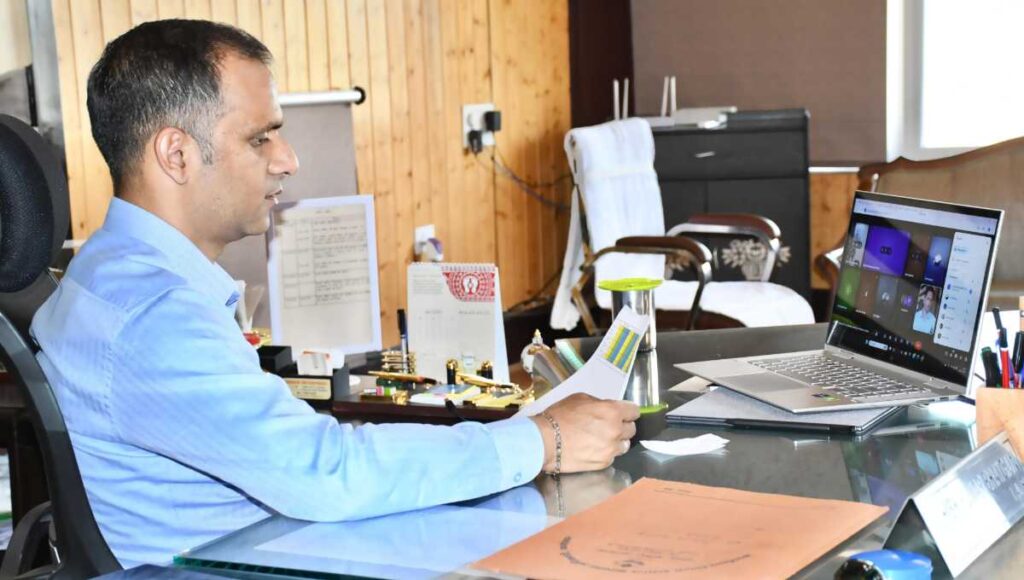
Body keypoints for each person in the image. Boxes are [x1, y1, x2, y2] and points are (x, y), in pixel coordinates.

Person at [30, 20, 639, 568]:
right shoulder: (152, 316)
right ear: (177, 154)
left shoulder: (104, 279)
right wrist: (543, 440)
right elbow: (324, 474)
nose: (288, 160)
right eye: (261, 138)